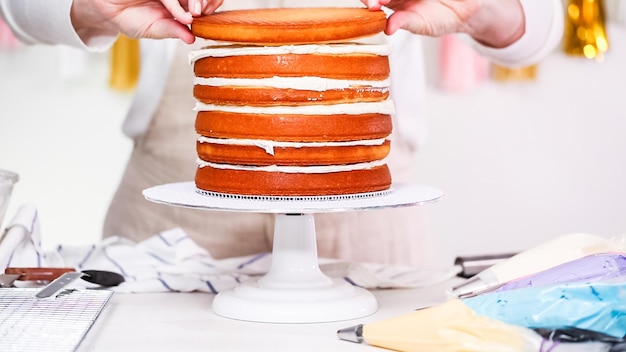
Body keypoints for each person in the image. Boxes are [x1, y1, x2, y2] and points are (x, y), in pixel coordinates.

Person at [0, 0, 563, 268]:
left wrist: (479, 7)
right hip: (176, 192)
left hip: (369, 198)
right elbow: (22, 10)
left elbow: (539, 27)